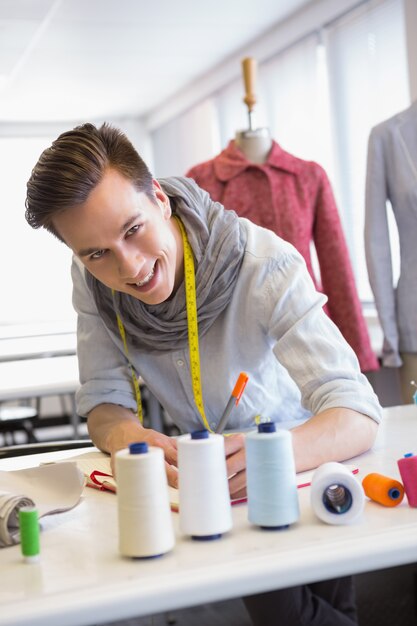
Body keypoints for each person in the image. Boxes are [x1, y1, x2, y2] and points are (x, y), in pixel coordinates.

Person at [25, 122, 381, 626]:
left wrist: (267, 456)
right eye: (96, 253)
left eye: (133, 230)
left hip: (308, 461)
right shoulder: (92, 282)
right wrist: (128, 436)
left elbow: (357, 411)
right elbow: (103, 401)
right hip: (214, 480)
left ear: (160, 199)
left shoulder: (263, 263)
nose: (130, 269)